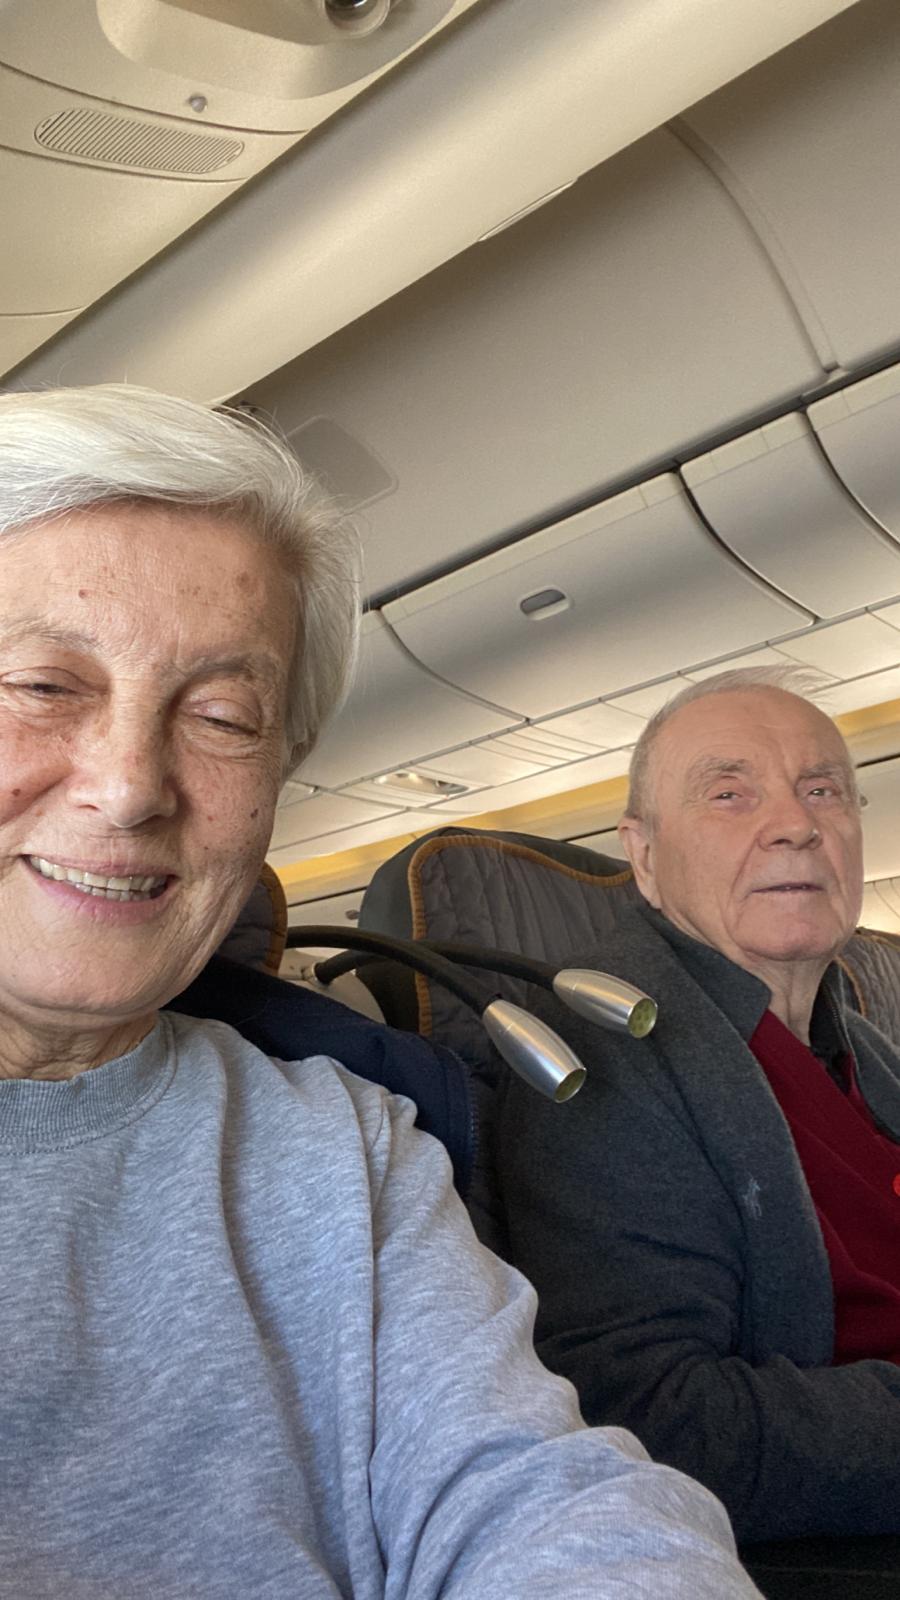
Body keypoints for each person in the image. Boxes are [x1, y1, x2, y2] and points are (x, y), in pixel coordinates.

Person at [0, 384, 758, 1599]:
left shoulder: (344, 1142)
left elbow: (535, 1492)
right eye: (42, 684)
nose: (131, 785)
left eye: (222, 715)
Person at [494, 667, 900, 1546]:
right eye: (729, 794)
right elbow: (650, 1413)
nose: (796, 824)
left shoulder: (869, 1052)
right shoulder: (598, 1054)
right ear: (643, 856)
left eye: (823, 790)